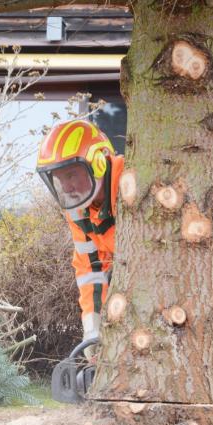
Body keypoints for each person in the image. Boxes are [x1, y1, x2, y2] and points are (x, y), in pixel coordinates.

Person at [36, 119, 123, 356]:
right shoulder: (79, 208)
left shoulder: (128, 186)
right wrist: (93, 329)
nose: (66, 186)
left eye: (71, 174)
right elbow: (91, 268)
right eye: (59, 178)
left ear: (98, 163)